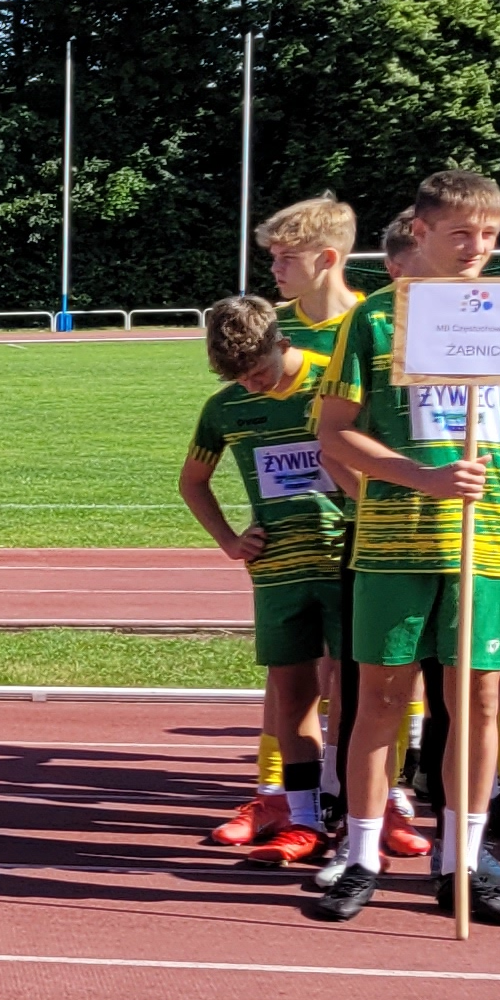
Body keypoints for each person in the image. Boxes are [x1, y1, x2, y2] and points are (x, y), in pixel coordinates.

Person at [307, 164, 500, 926]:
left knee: (476, 700)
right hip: (393, 543)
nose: (477, 247)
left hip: (491, 542)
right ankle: (363, 852)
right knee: (380, 699)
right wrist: (416, 475)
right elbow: (334, 431)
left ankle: (462, 859)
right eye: (461, 234)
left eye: (489, 234)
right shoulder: (375, 322)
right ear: (420, 232)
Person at [204, 197, 359, 844]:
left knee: (365, 677)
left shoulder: (373, 326)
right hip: (287, 556)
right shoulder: (266, 326)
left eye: (282, 256)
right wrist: (230, 539)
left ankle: (378, 806)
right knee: (290, 676)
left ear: (327, 258)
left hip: (359, 543)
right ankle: (278, 799)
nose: (271, 267)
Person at [179, 294, 350, 870]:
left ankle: (352, 809)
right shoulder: (225, 407)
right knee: (292, 691)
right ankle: (301, 820)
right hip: (278, 570)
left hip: (347, 561)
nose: (251, 386)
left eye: (258, 372)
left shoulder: (334, 385)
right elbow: (193, 481)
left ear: (282, 343)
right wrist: (230, 541)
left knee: (354, 690)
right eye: (239, 378)